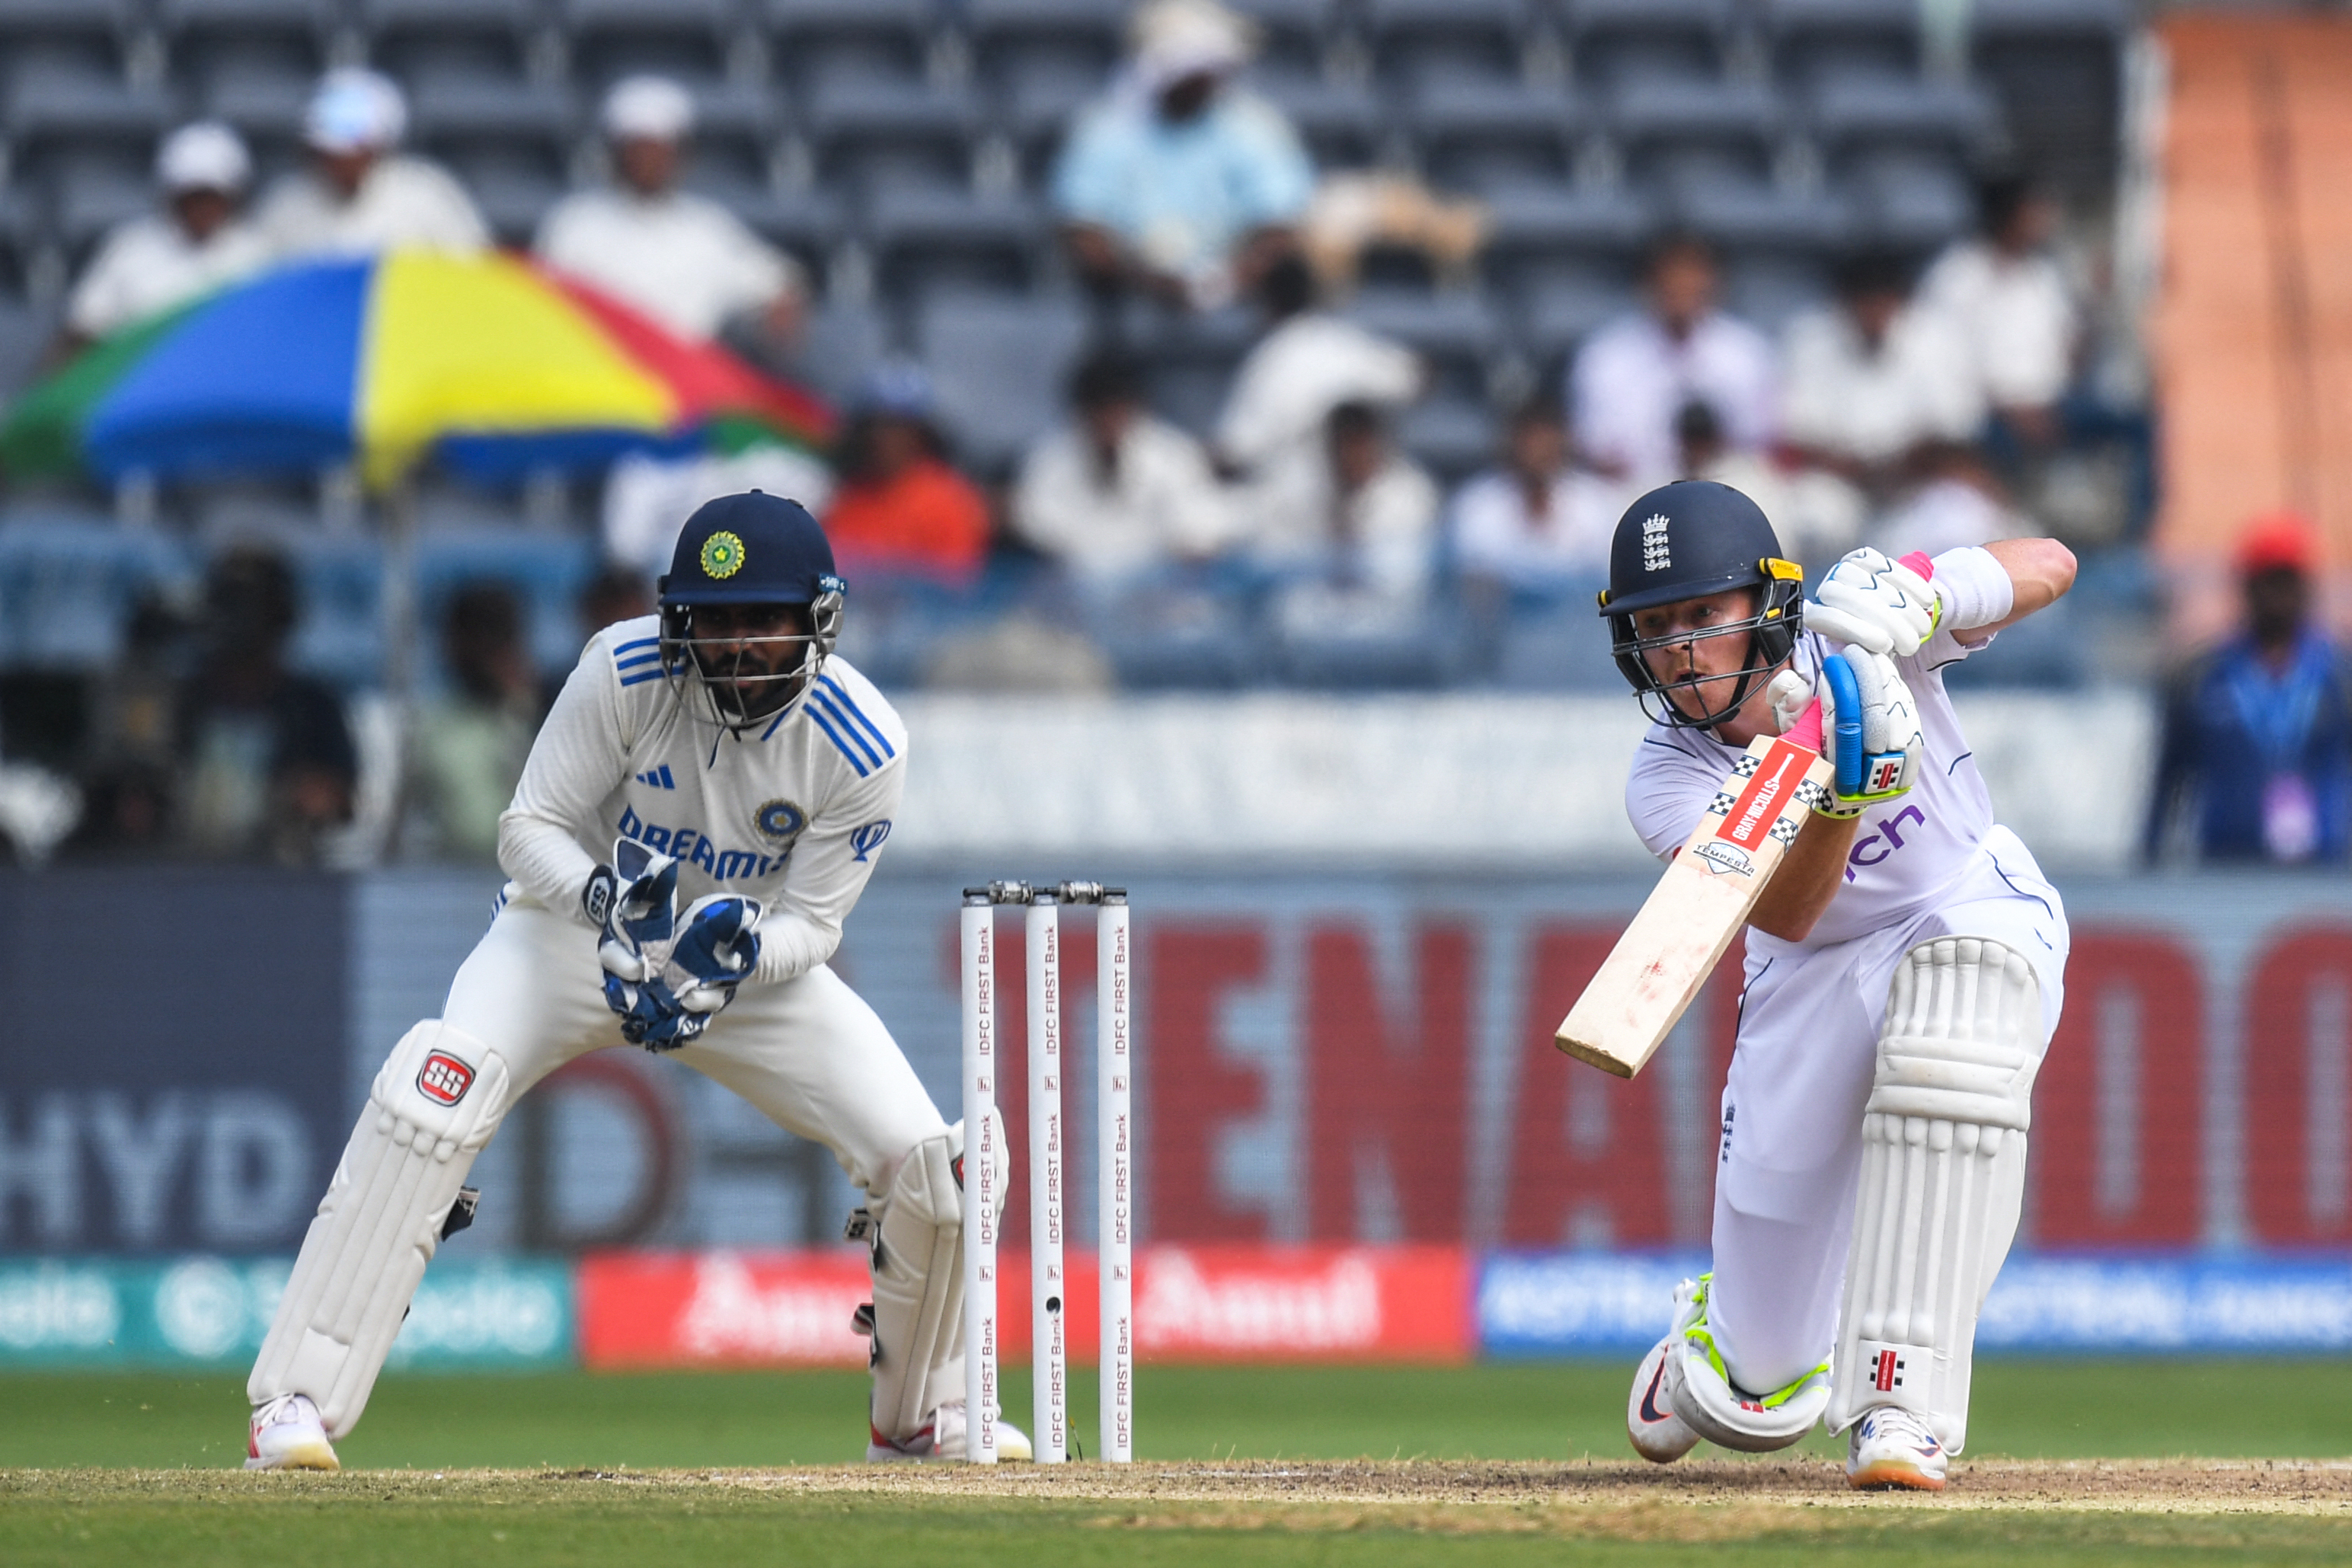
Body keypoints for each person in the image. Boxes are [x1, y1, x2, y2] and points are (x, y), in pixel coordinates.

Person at [244, 493, 1029, 1470]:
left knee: (932, 1166)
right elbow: (527, 832)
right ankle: (292, 1406)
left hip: (738, 965)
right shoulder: (623, 669)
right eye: (715, 620)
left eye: (761, 620)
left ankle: (921, 1420)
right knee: (432, 1093)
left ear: (816, 619)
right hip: (573, 935)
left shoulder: (863, 742)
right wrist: (608, 901)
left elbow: (814, 928)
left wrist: (732, 950)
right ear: (678, 620)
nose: (737, 645)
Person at [1600, 481, 2076, 1490]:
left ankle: (1903, 1407)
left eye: (1701, 614)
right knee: (1761, 1389)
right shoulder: (1666, 778)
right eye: (1655, 626)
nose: (1679, 649)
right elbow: (1788, 914)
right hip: (1805, 976)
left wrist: (1929, 595)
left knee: (1957, 1044)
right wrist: (1845, 791)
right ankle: (1715, 1347)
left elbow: (2052, 562)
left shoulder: (1859, 633)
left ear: (1767, 602)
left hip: (1966, 899)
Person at [1054, 0, 1315, 312]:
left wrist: (1225, 282)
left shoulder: (1254, 127)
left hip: (1241, 297)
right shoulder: (1106, 130)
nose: (1199, 81)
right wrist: (1149, 283)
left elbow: (1281, 221)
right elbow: (1084, 226)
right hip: (1128, 298)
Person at [2143, 511, 2352, 865]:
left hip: (2326, 872)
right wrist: (2150, 857)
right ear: (2245, 586)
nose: (2277, 595)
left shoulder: (2339, 675)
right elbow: (2169, 779)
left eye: (2287, 581)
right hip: (2225, 868)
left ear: (2306, 587)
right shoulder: (2201, 676)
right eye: (2266, 581)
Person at [536, 76, 808, 348]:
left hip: (684, 377)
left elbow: (777, 279)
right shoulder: (575, 224)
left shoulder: (707, 228)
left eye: (659, 150)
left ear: (681, 155)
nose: (648, 162)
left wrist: (780, 306)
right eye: (637, 149)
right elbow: (543, 302)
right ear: (615, 154)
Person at [175, 544, 357, 866]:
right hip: (182, 874)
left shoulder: (315, 707)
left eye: (253, 605)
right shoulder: (181, 700)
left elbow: (342, 805)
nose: (241, 619)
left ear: (281, 615)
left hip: (279, 881)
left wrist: (301, 795)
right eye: (230, 603)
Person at [1013, 351, 1232, 589]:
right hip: (1076, 587)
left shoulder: (1173, 456)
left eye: (1117, 411)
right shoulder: (1050, 460)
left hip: (1160, 587)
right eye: (1100, 412)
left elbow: (1197, 531)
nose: (1109, 423)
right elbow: (1036, 523)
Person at [1571, 235, 1777, 487]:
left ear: (1714, 282)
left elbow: (1762, 441)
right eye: (1671, 277)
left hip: (1725, 481)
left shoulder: (1746, 352)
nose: (1681, 286)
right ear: (1647, 283)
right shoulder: (1606, 356)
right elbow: (1594, 450)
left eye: (1692, 276)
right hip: (1639, 483)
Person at [1779, 250, 1983, 498]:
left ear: (1899, 302)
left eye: (1883, 304)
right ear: (1845, 304)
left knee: (1960, 506)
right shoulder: (1810, 340)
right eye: (1865, 304)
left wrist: (1901, 466)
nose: (1875, 316)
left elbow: (1955, 432)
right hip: (1837, 481)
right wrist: (1855, 470)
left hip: (1914, 480)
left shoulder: (1935, 339)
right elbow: (1797, 436)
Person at [1217, 251, 1420, 500]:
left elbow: (1235, 452)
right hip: (1349, 501)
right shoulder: (1344, 341)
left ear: (1268, 303)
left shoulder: (1269, 361)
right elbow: (1418, 378)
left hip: (1299, 505)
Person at [65, 122, 271, 346]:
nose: (201, 208)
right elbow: (82, 330)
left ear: (233, 197)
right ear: (170, 196)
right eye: (191, 197)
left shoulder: (259, 259)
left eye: (211, 197)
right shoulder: (129, 247)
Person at [1918, 170, 2077, 452]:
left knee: (2139, 426)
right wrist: (2010, 407)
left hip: (2050, 407)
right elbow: (1943, 359)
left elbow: (2066, 344)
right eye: (2034, 211)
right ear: (2009, 214)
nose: (2045, 221)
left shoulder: (2043, 274)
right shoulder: (1956, 275)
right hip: (1985, 414)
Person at [254, 69, 487, 260]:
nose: (339, 163)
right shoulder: (285, 206)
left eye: (352, 151)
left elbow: (472, 271)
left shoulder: (426, 197)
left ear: (379, 149)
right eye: (328, 152)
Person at [1259, 400, 1439, 637]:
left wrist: (1350, 543)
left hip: (1390, 614)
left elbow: (1402, 579)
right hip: (1330, 611)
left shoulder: (1410, 493)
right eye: (1341, 445)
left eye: (1358, 443)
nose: (1349, 455)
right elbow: (1281, 559)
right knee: (1288, 613)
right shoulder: (1316, 489)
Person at [821, 366, 992, 588]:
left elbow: (958, 588)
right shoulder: (846, 497)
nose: (883, 438)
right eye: (874, 426)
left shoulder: (952, 502)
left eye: (896, 427)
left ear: (920, 434)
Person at [410, 583, 544, 863]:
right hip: (453, 880)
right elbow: (397, 836)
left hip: (539, 878)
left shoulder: (548, 714)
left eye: (496, 641)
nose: (486, 656)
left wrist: (518, 705)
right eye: (475, 641)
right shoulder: (433, 727)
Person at [1448, 394, 1621, 599]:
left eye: (1545, 440)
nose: (1537, 451)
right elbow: (1475, 585)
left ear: (1561, 442)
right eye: (1529, 441)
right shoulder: (1476, 507)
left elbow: (1606, 581)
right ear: (1511, 443)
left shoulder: (1596, 503)